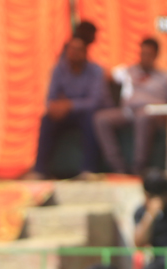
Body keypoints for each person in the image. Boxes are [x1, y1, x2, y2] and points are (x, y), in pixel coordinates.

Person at [27, 36, 110, 179]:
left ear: (85, 52)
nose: (75, 53)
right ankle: (40, 171)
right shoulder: (58, 69)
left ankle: (88, 170)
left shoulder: (96, 70)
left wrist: (70, 105)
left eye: (79, 50)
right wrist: (56, 107)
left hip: (87, 113)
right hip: (66, 114)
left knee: (91, 117)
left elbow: (95, 101)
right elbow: (50, 99)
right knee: (47, 119)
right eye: (72, 49)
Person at [94, 38, 167, 175]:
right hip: (128, 111)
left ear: (156, 55)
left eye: (149, 54)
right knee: (101, 119)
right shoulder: (128, 71)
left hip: (152, 113)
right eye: (142, 53)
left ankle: (138, 168)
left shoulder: (165, 77)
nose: (144, 57)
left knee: (142, 117)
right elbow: (106, 74)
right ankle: (118, 168)